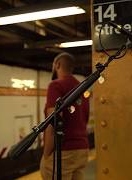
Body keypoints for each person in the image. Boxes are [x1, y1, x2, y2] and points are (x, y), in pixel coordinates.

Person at [40, 52, 90, 180]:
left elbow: (54, 121)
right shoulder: (82, 87)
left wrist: (46, 155)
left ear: (57, 64)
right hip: (82, 150)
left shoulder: (55, 85)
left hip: (63, 151)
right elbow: (85, 119)